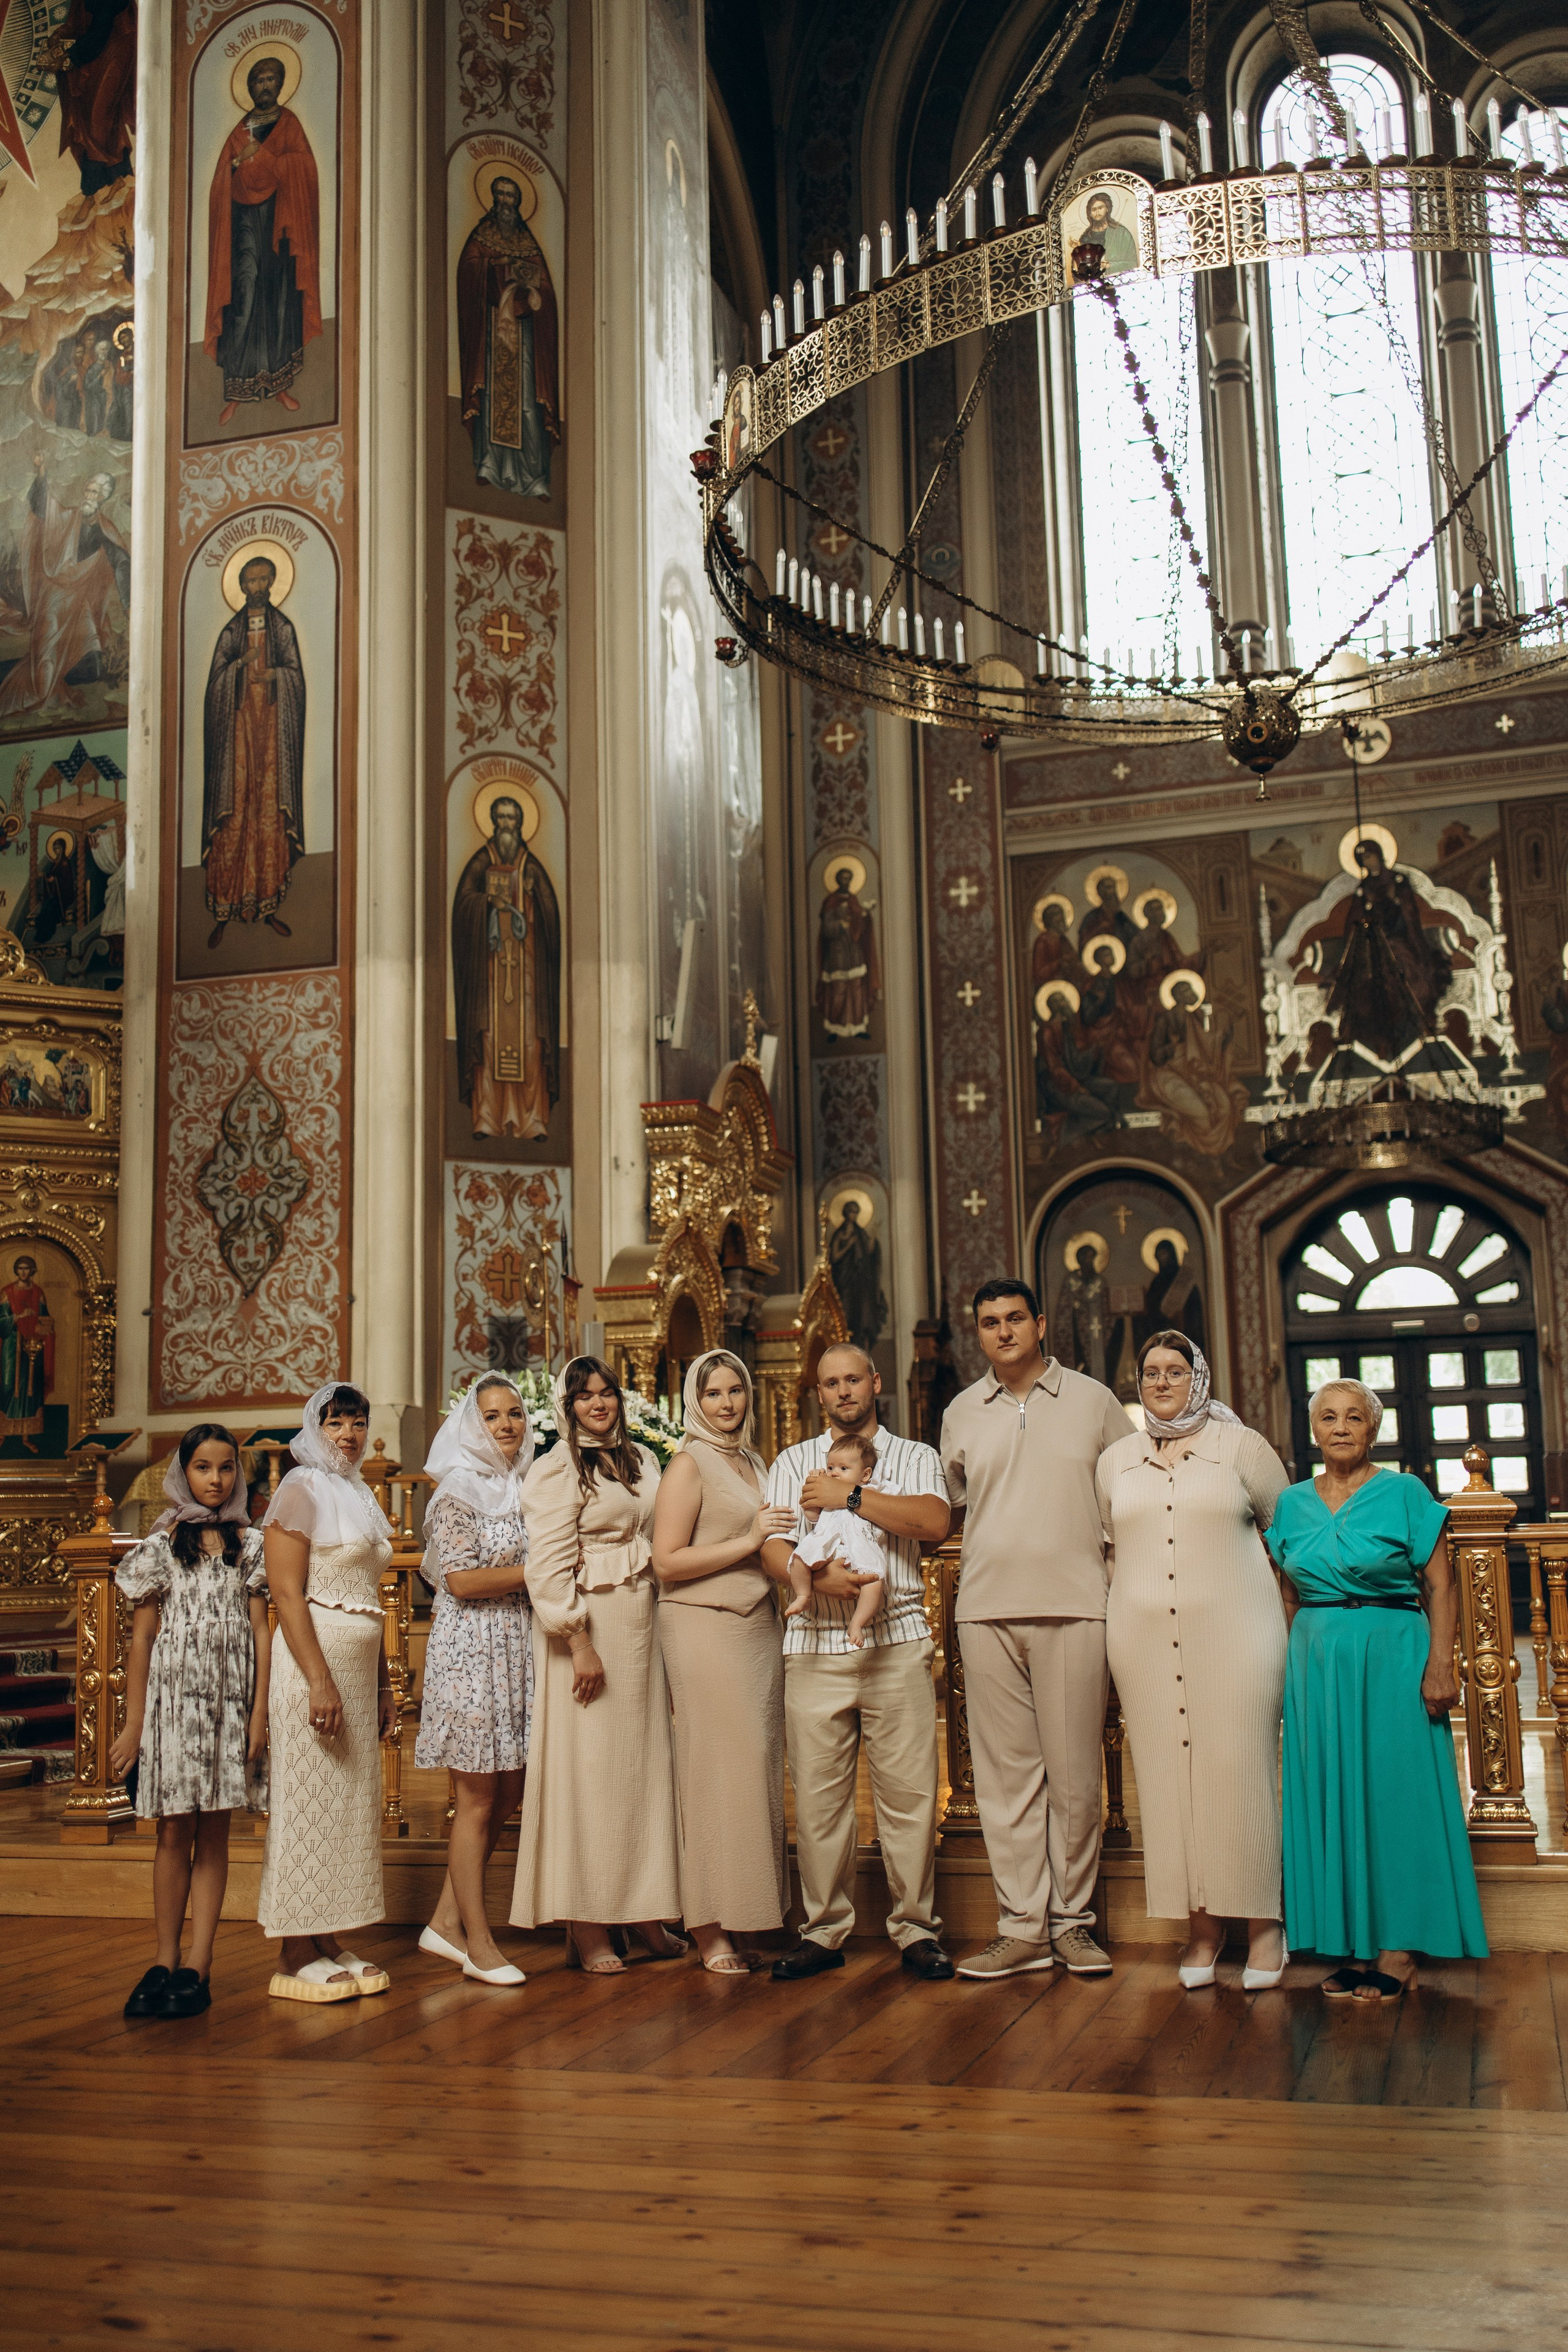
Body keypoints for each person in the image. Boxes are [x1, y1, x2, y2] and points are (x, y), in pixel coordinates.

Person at [1265, 1379, 1487, 2000]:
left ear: (1373, 1430)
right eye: (1328, 1417)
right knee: (1334, 1794)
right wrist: (1297, 1668)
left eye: (1354, 1417)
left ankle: (1399, 1949)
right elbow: (1286, 1592)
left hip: (1392, 1650)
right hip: (1318, 1658)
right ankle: (1354, 1946)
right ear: (1313, 1431)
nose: (1340, 1427)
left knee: (1397, 1795)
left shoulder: (1404, 1493)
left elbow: (1440, 1587)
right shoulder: (1290, 1504)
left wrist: (1440, 1665)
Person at [940, 1280, 1133, 1981]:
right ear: (979, 1333)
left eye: (1015, 1318)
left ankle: (1072, 1925)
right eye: (989, 1322)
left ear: (1041, 1324)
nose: (1003, 1331)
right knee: (1005, 1780)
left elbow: (1129, 1494)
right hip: (985, 1609)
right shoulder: (961, 1411)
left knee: (1076, 1777)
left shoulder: (1093, 1401)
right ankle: (1021, 1929)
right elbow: (958, 1508)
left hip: (1078, 1605)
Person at [1098, 1333, 1291, 1990]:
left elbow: (1288, 1539)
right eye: (1149, 1372)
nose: (1160, 1382)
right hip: (1142, 1645)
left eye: (1174, 1371)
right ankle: (1201, 1929)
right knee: (1167, 1782)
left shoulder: (1243, 1448)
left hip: (1240, 1637)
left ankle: (1265, 1926)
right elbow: (1109, 1552)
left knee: (1236, 1773)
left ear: (1198, 1377)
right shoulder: (1115, 1460)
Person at [761, 1344, 955, 1981]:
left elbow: (931, 1520)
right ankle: (822, 1931)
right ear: (818, 1394)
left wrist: (850, 1497)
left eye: (853, 1379)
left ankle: (916, 1929)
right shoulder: (792, 1461)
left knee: (908, 1797)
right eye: (830, 1383)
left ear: (874, 1383)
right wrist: (817, 1582)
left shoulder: (915, 1456)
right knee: (818, 1802)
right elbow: (774, 1544)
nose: (844, 1391)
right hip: (813, 1644)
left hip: (895, 1639)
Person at [509, 1357, 684, 1972]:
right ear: (567, 1405)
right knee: (590, 1774)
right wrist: (578, 1640)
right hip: (589, 1631)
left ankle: (645, 1911)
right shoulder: (557, 1471)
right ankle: (588, 1924)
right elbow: (548, 1569)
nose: (598, 1404)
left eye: (606, 1393)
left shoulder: (644, 1461)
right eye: (585, 1397)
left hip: (641, 1625)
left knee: (642, 1772)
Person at [110, 1425, 271, 2020]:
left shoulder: (250, 1547)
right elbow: (143, 1640)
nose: (216, 1479)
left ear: (238, 1474)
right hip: (171, 1710)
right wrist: (133, 1726)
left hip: (229, 1709)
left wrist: (258, 1716)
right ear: (184, 1473)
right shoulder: (159, 1548)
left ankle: (199, 1964)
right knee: (172, 1833)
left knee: (214, 1836)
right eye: (203, 1468)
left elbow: (260, 1633)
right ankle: (163, 1958)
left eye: (226, 1468)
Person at [651, 1351, 796, 1973]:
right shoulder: (689, 1462)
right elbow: (666, 1561)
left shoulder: (753, 1458)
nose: (728, 1402)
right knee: (714, 1774)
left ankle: (750, 1912)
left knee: (755, 1769)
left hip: (755, 1626)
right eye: (714, 1393)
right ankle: (709, 1927)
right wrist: (747, 1539)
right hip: (702, 1625)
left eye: (736, 1390)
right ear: (695, 1400)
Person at [257, 1384, 398, 2002]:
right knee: (306, 1804)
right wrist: (320, 1680)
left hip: (358, 1676)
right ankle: (293, 1950)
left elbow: (372, 1597)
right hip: (313, 1676)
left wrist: (384, 1684)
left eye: (358, 1422)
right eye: (336, 1422)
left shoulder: (360, 1493)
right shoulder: (300, 1488)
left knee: (346, 1807)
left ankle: (327, 1936)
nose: (349, 1433)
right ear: (315, 1426)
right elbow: (286, 1594)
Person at [415, 1376, 535, 1987]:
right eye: (492, 1417)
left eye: (514, 1413)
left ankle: (442, 1921)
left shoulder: (524, 1485)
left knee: (509, 1795)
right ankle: (478, 1943)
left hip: (516, 1646)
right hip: (471, 1649)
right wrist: (538, 1573)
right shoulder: (457, 1492)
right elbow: (460, 1582)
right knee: (479, 1799)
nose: (506, 1425)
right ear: (472, 1426)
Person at [205, 54, 322, 424]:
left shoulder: (289, 125)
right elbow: (222, 180)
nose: (265, 85)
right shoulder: (239, 132)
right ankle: (237, 392)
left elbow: (304, 167)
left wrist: (267, 157)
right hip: (244, 225)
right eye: (258, 80)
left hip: (281, 224)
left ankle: (280, 385)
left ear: (281, 84)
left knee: (277, 298)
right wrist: (240, 162)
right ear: (250, 87)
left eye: (272, 79)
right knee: (244, 295)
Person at [202, 555, 305, 948]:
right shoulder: (231, 632)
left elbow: (295, 677)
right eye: (251, 581)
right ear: (242, 587)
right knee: (235, 811)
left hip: (274, 731)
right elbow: (215, 685)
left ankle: (268, 907)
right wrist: (240, 671)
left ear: (273, 583)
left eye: (264, 580)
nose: (258, 588)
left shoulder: (283, 629)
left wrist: (275, 676)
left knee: (267, 809)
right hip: (238, 731)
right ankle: (224, 910)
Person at [451, 793, 562, 1140]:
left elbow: (551, 919)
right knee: (487, 1042)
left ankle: (532, 1120)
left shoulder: (532, 866)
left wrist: (530, 898)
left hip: (526, 971)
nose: (505, 825)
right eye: (500, 818)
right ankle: (487, 1117)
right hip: (489, 973)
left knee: (530, 1044)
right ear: (492, 821)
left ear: (521, 824)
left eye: (512, 819)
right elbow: (462, 907)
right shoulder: (480, 862)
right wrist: (486, 902)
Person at [456, 174, 561, 499]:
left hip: (524, 335)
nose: (505, 203)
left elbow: (546, 290)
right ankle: (489, 464)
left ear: (517, 204)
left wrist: (533, 291)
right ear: (492, 199)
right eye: (500, 196)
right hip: (493, 330)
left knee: (528, 405)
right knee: (491, 402)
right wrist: (495, 274)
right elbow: (468, 272)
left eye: (510, 198)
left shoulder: (529, 245)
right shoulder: (481, 238)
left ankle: (534, 476)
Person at [785, 1431, 886, 1649]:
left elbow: (887, 1511)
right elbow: (812, 1516)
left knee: (875, 1581)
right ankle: (803, 1594)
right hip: (826, 1542)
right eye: (831, 1468)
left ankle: (857, 1623)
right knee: (800, 1559)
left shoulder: (870, 1491)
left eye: (843, 1469)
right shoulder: (825, 1491)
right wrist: (814, 1484)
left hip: (860, 1545)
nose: (834, 1474)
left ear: (866, 1475)